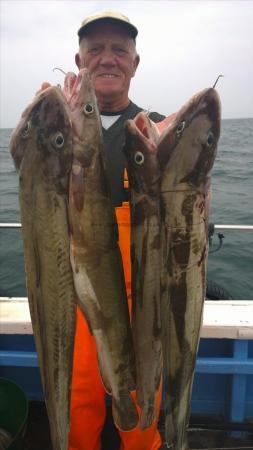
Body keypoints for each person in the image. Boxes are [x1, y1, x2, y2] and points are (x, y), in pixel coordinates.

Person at [69, 10, 165, 450]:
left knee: (141, 399)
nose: (107, 59)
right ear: (79, 60)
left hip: (143, 299)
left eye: (119, 50)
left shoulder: (156, 131)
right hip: (80, 294)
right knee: (79, 398)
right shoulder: (60, 130)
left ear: (135, 62)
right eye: (95, 50)